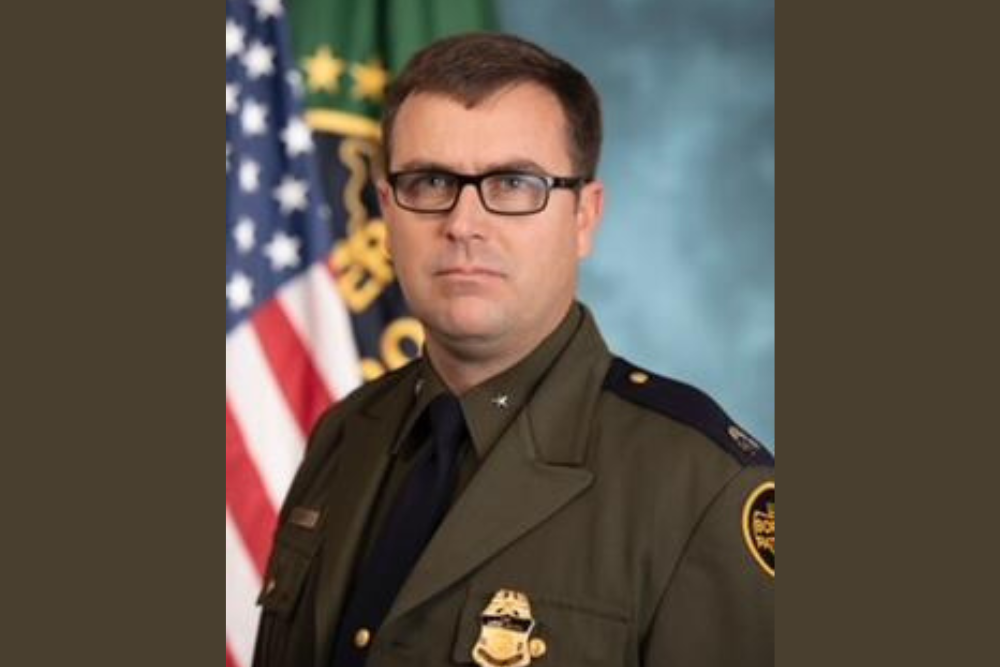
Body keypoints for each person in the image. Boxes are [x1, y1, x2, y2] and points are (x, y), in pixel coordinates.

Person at [253, 33, 774, 667]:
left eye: (513, 184)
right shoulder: (344, 435)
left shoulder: (703, 485)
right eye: (430, 181)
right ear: (387, 211)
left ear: (584, 216)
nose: (463, 224)